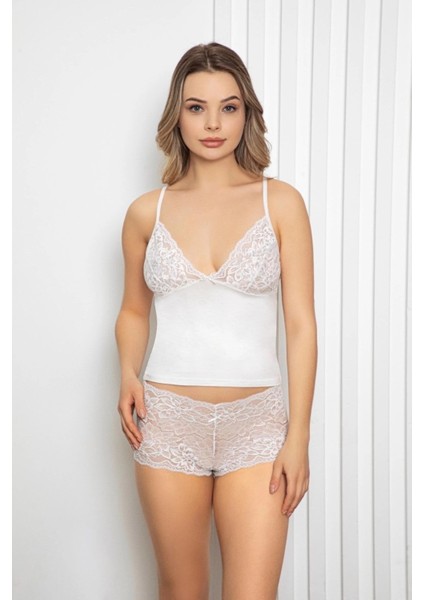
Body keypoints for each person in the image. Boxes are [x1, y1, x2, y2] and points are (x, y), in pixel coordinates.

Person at [115, 42, 317, 600]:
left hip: (258, 425)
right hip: (165, 420)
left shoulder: (281, 203)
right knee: (181, 590)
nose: (212, 124)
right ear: (176, 115)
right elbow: (133, 310)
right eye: (196, 107)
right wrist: (127, 372)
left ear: (246, 114)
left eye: (228, 107)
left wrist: (299, 435)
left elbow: (301, 325)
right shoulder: (145, 212)